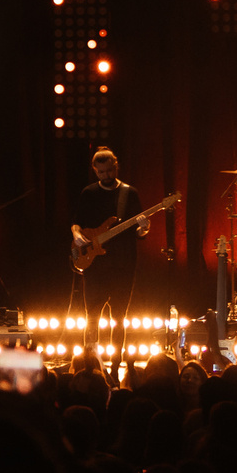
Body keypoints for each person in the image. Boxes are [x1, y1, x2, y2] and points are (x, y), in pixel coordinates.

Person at [70, 148, 148, 379]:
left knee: (120, 318)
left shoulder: (129, 193)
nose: (105, 175)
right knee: (91, 316)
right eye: (101, 172)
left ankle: (115, 366)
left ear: (117, 166)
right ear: (95, 170)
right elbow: (77, 223)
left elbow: (139, 232)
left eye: (109, 170)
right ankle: (89, 364)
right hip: (95, 264)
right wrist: (76, 235)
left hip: (123, 264)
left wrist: (144, 228)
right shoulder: (89, 193)